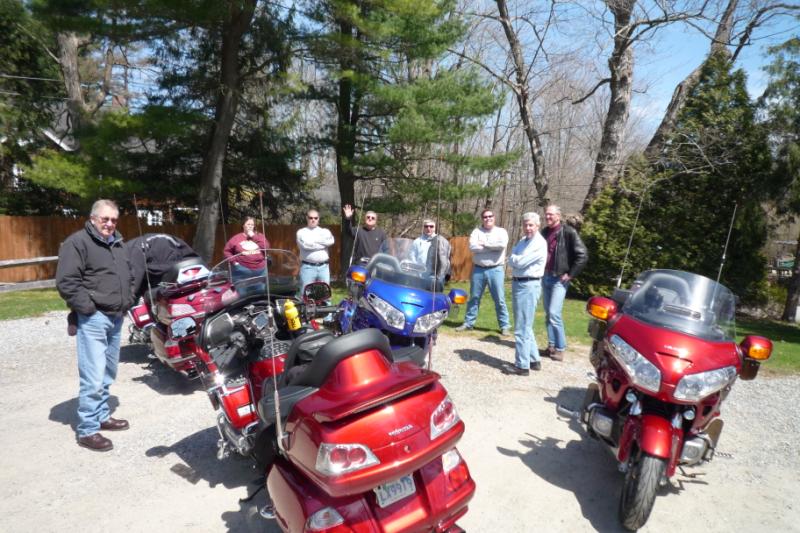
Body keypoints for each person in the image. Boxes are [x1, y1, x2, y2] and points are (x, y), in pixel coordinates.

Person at [56, 199, 135, 452]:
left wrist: (128, 299)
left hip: (116, 316)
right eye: (105, 219)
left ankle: (101, 415)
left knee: (108, 371)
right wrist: (87, 309)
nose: (110, 224)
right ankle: (88, 429)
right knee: (93, 374)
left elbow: (129, 275)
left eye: (114, 220)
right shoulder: (77, 243)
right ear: (93, 219)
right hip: (94, 318)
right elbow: (67, 281)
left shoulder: (118, 243)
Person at [540, 204, 588, 361]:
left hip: (559, 279)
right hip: (545, 276)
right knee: (549, 314)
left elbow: (582, 255)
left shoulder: (568, 232)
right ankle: (551, 346)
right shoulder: (544, 232)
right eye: (546, 214)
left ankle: (560, 348)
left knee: (554, 313)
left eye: (551, 214)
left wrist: (571, 274)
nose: (548, 217)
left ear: (558, 216)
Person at [455, 209, 511, 336]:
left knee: (499, 299)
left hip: (496, 269)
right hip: (478, 269)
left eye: (490, 216)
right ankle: (468, 323)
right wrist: (492, 247)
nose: (488, 218)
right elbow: (473, 247)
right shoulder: (476, 232)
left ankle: (505, 326)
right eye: (485, 217)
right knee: (474, 297)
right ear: (482, 219)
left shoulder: (501, 231)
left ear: (494, 217)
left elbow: (501, 246)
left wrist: (484, 244)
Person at [504, 212, 547, 376]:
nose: (528, 228)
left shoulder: (539, 243)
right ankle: (534, 359)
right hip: (519, 283)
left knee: (521, 327)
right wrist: (515, 259)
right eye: (525, 225)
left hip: (529, 285)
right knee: (525, 324)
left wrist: (515, 259)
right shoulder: (523, 241)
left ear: (537, 226)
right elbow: (511, 259)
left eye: (531, 225)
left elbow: (520, 262)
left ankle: (522, 366)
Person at [127, 233, 201, 300]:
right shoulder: (136, 246)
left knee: (147, 295)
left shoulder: (132, 250)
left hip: (171, 270)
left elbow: (133, 285)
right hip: (189, 264)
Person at [296, 209, 335, 294]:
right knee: (306, 294)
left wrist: (312, 243)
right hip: (307, 268)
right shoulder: (301, 232)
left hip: (324, 268)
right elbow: (305, 246)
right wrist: (322, 244)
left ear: (318, 219)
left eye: (315, 218)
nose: (313, 220)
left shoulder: (325, 231)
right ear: (307, 218)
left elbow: (331, 241)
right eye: (311, 218)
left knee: (325, 293)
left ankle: (325, 304)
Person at [223, 217, 270, 282]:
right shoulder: (236, 238)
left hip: (260, 270)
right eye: (248, 224)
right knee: (241, 288)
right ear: (243, 225)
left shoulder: (259, 236)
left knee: (259, 288)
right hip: (242, 270)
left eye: (252, 225)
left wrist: (254, 236)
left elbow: (266, 247)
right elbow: (227, 251)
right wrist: (234, 262)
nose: (250, 226)